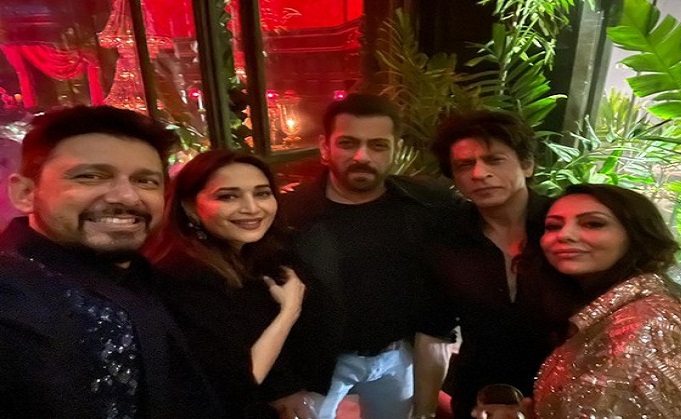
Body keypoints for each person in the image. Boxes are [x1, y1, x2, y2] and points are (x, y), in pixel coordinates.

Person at [428, 110, 681, 419]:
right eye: (465, 165)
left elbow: (650, 290)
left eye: (494, 160)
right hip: (482, 394)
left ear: (527, 165)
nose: (480, 173)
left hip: (586, 388)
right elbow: (432, 324)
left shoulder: (569, 222)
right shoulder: (444, 237)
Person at [0, 105, 223, 417]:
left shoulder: (157, 278)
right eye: (90, 176)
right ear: (25, 192)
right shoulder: (14, 299)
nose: (127, 197)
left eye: (145, 181)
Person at [279, 93, 458, 419]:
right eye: (348, 143)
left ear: (395, 149)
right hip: (319, 361)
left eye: (378, 145)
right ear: (325, 147)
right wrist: (283, 382)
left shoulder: (426, 205)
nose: (362, 156)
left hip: (396, 356)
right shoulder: (290, 216)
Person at [145, 150, 332, 418]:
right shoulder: (184, 274)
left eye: (262, 193)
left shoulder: (258, 252)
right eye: (228, 196)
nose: (252, 208)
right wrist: (289, 311)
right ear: (189, 207)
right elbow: (238, 382)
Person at [532, 184, 681, 417]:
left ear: (636, 236)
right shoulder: (604, 310)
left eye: (593, 224)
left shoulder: (647, 322)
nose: (565, 235)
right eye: (553, 226)